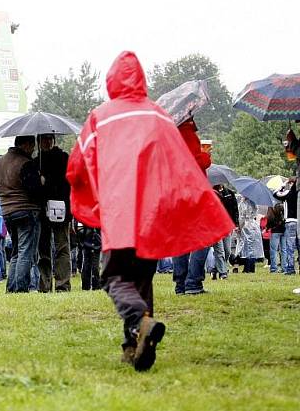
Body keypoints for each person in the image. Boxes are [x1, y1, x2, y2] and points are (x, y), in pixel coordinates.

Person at [67, 51, 233, 371]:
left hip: (120, 210)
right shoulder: (158, 115)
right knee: (141, 279)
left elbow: (77, 164)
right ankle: (136, 346)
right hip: (152, 212)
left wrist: (82, 187)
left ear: (112, 81)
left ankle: (138, 327)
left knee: (114, 274)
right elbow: (180, 159)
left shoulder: (100, 116)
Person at [0, 135, 43, 293]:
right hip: (26, 210)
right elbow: (34, 190)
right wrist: (41, 181)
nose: (34, 149)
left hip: (7, 211)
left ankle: (11, 288)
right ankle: (21, 288)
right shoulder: (25, 163)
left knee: (15, 251)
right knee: (26, 251)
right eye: (32, 145)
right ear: (26, 145)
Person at [171, 117, 213, 295]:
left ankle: (180, 283)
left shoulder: (170, 135)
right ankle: (193, 282)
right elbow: (194, 163)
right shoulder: (186, 133)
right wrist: (206, 156)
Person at [32, 133, 72, 292]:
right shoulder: (36, 162)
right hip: (42, 211)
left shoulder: (63, 158)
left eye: (49, 138)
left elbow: (68, 183)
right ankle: (45, 284)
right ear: (39, 141)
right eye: (43, 139)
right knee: (44, 250)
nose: (47, 141)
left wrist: (47, 181)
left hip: (61, 209)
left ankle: (62, 284)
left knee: (62, 247)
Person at [211, 184, 238, 279]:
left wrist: (236, 223)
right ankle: (223, 273)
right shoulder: (211, 193)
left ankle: (214, 269)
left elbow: (235, 209)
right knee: (220, 251)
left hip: (227, 225)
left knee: (227, 250)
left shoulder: (229, 193)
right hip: (215, 226)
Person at [274, 178, 298, 275]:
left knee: (290, 246)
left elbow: (276, 193)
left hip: (291, 221)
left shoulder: (288, 193)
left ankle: (291, 268)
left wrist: (284, 184)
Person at [236, 195, 264, 273]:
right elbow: (255, 212)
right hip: (254, 225)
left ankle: (247, 268)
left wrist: (239, 227)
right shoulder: (253, 202)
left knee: (246, 247)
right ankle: (252, 267)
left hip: (246, 225)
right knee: (253, 247)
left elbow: (242, 217)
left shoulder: (243, 203)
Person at [77, 224, 102, 291]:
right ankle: (94, 286)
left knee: (88, 265)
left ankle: (88, 286)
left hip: (88, 240)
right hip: (94, 240)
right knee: (91, 265)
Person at [266, 203, 286, 273]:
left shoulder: (271, 206)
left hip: (275, 231)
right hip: (283, 230)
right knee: (283, 250)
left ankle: (274, 268)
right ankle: (284, 267)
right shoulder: (284, 205)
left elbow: (269, 219)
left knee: (273, 250)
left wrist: (267, 227)